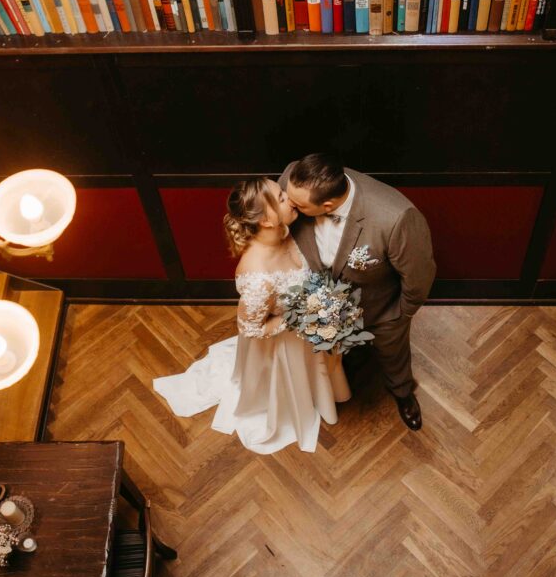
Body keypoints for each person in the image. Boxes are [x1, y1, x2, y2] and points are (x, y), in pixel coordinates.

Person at [153, 178, 351, 455]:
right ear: (267, 220)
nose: (290, 199)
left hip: (309, 332)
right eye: (281, 198)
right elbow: (251, 328)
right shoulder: (257, 276)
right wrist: (301, 315)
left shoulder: (287, 231)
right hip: (283, 345)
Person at [279, 154, 436, 431]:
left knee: (393, 353)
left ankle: (403, 394)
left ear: (327, 205)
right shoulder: (294, 181)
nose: (289, 204)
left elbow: (419, 277)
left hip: (379, 307)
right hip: (322, 301)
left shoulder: (396, 218)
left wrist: (399, 316)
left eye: (298, 206)